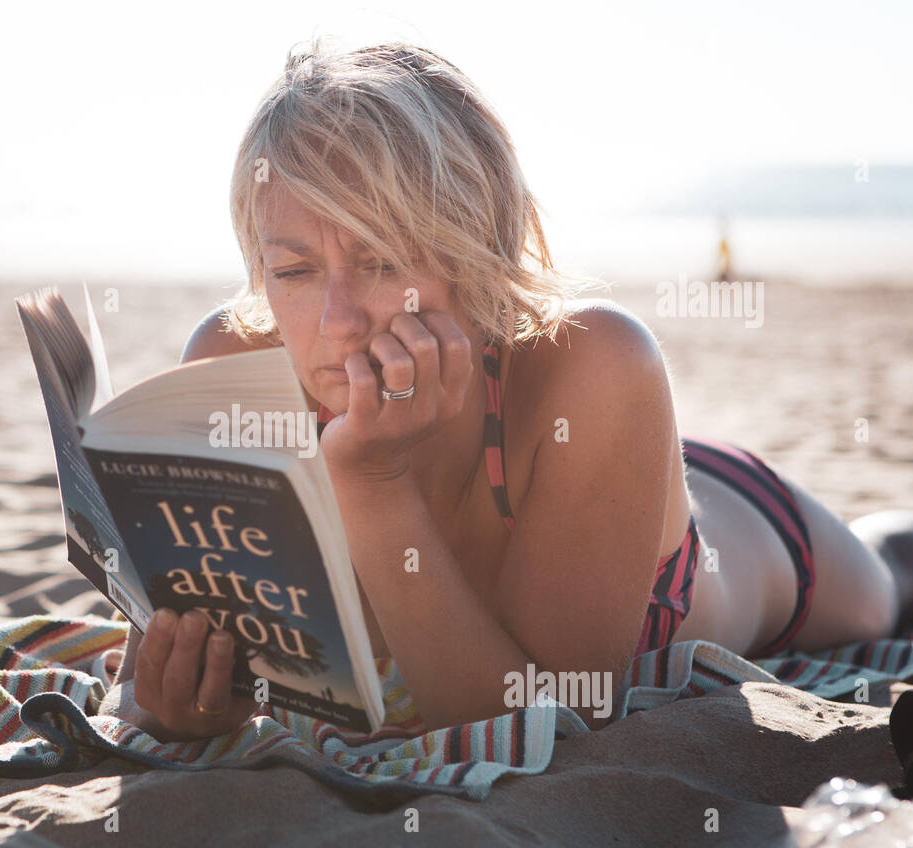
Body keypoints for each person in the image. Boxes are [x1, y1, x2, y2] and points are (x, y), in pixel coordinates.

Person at [99, 39, 913, 742]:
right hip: (589, 476)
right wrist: (181, 705)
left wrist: (371, 482)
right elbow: (159, 680)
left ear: (472, 254)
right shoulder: (235, 367)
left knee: (890, 578)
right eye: (293, 271)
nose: (338, 320)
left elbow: (530, 726)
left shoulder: (597, 362)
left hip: (749, 531)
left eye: (384, 260)